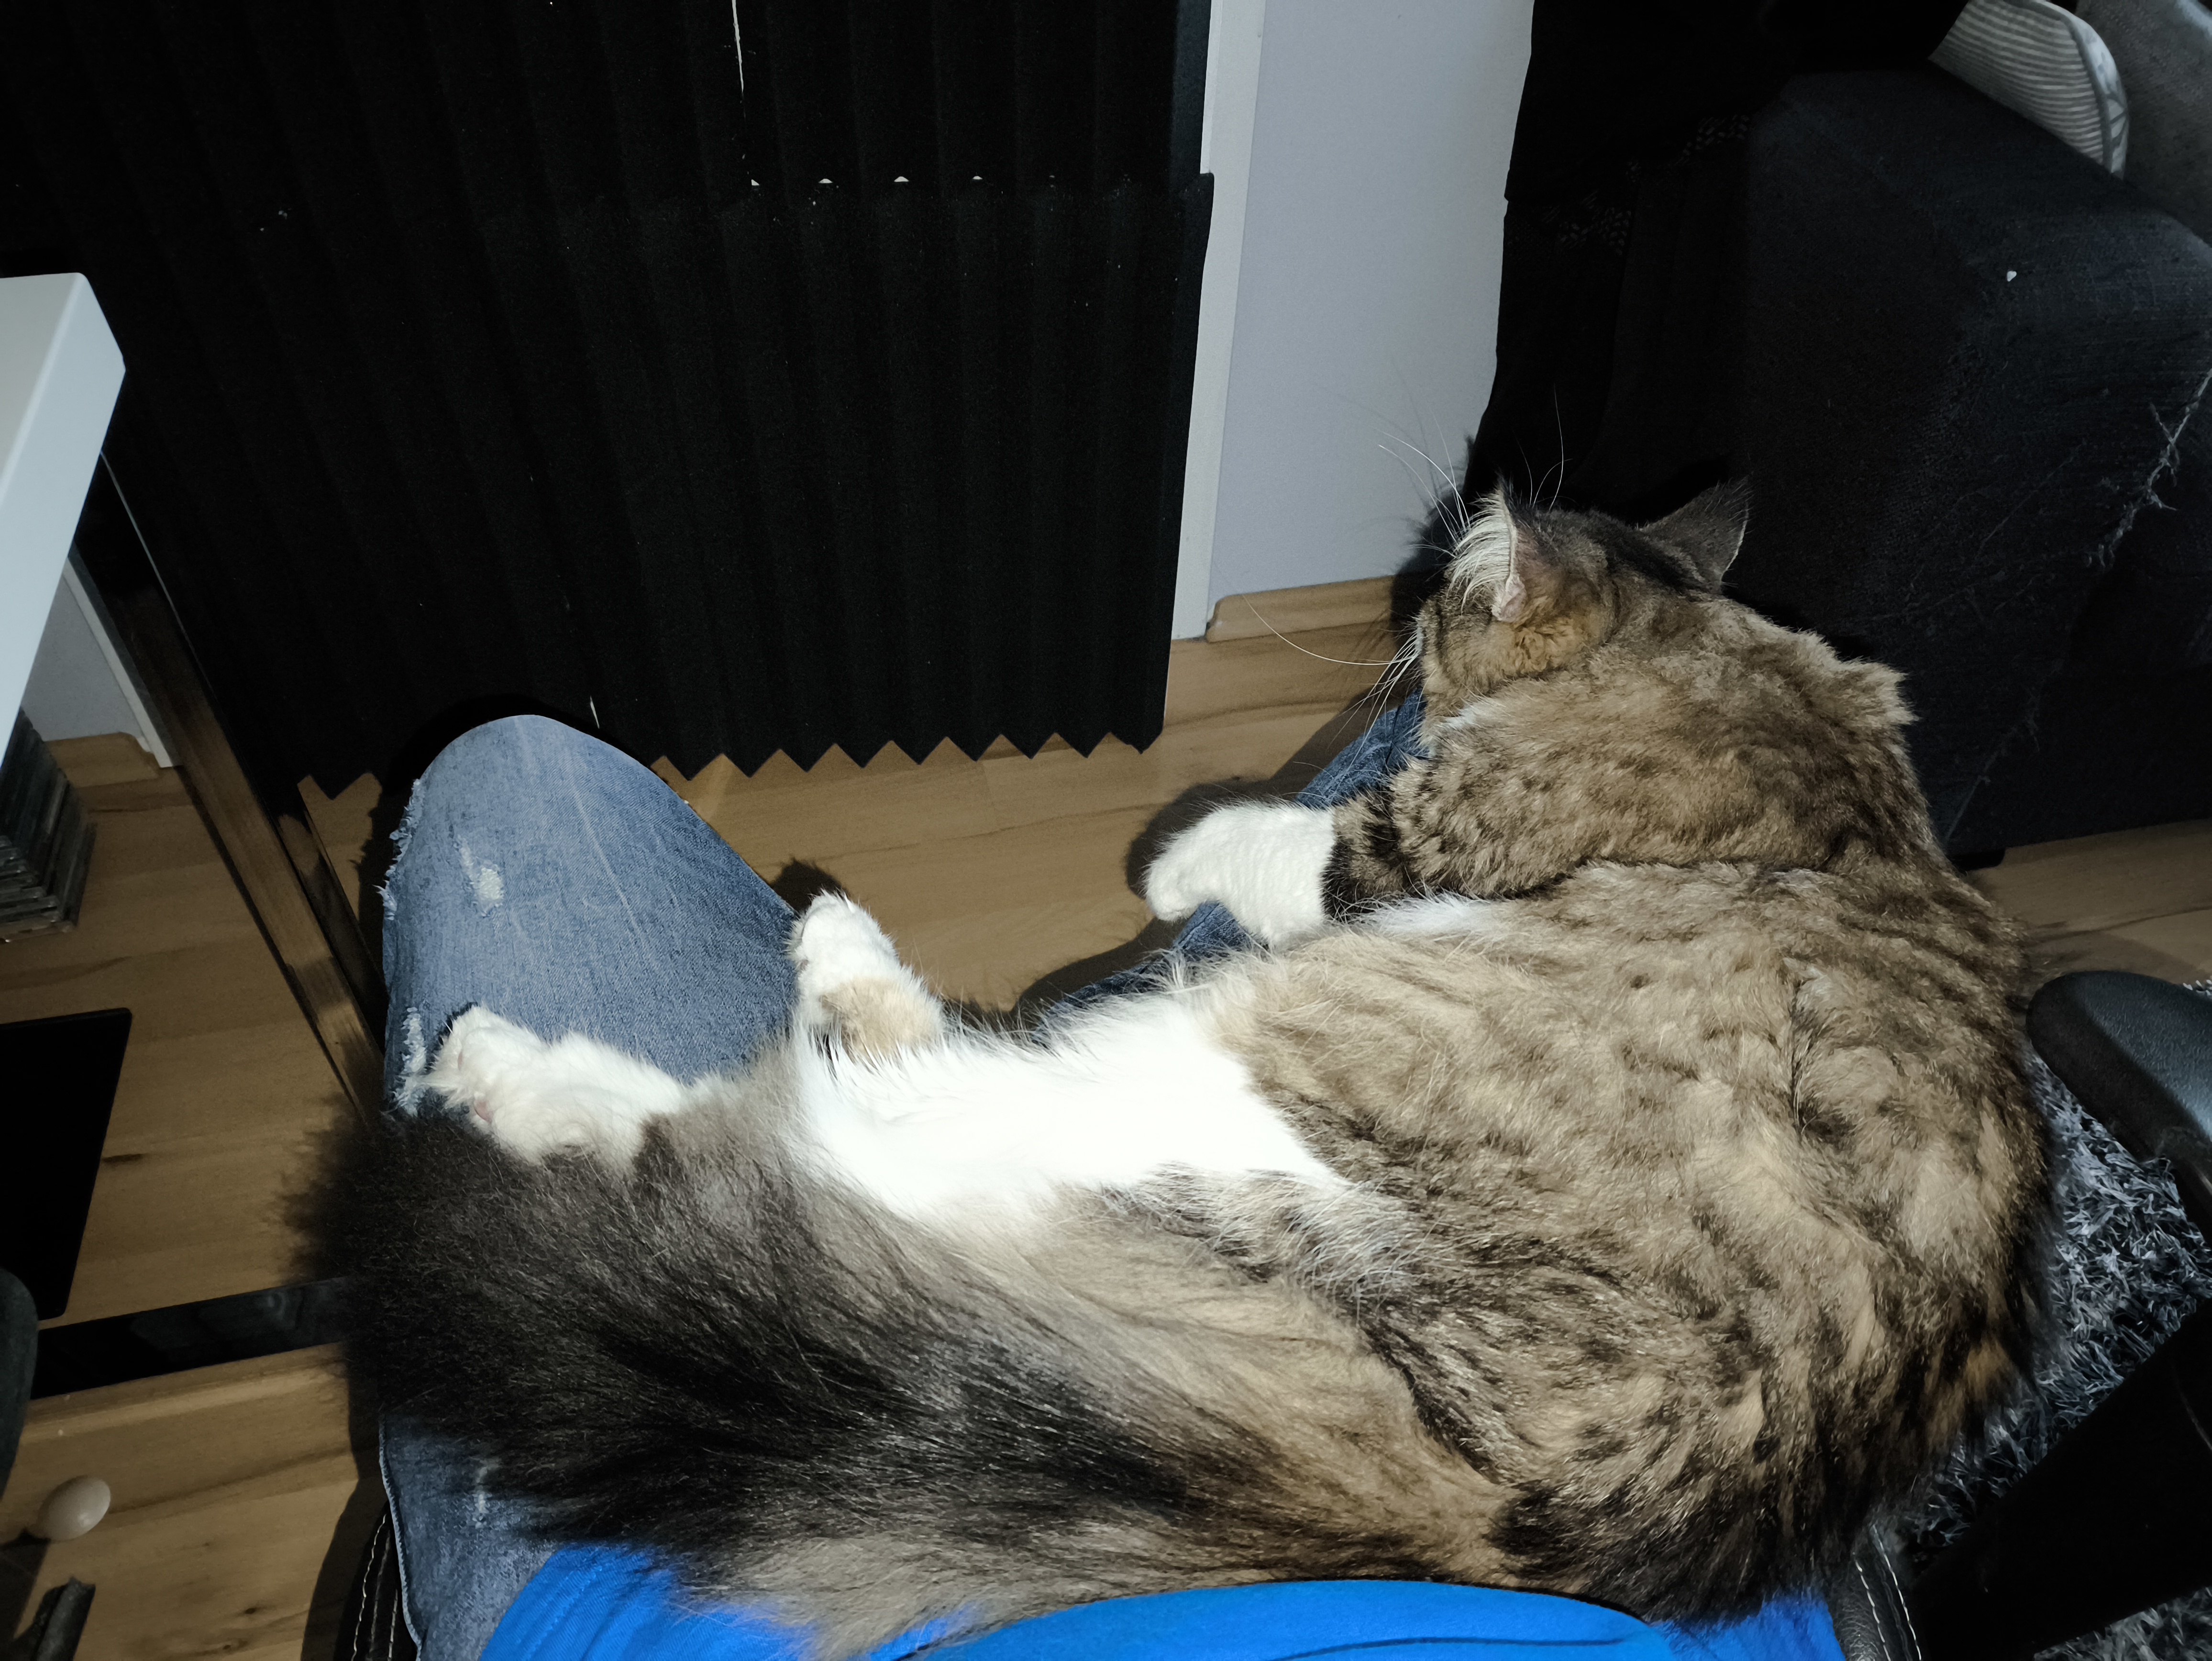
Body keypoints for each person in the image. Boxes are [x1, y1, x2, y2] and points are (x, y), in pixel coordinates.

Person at [374, 709, 1845, 1661]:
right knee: (1429, 773)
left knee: (520, 778)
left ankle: (964, 1057)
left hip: (774, 1546)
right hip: (1567, 1498)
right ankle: (1026, 1033)